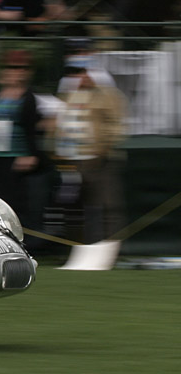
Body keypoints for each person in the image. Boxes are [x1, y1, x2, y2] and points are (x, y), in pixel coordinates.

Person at [0, 49, 48, 231]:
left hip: (16, 158)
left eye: (22, 68)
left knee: (15, 203)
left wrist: (30, 154)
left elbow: (35, 128)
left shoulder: (31, 98)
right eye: (12, 67)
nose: (17, 72)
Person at [53, 58, 127, 244]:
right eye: (78, 72)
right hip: (72, 160)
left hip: (100, 159)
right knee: (76, 206)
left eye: (85, 71)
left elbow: (116, 125)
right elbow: (60, 124)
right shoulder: (69, 95)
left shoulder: (109, 95)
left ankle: (110, 246)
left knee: (108, 205)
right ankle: (81, 246)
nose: (82, 76)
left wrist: (103, 148)